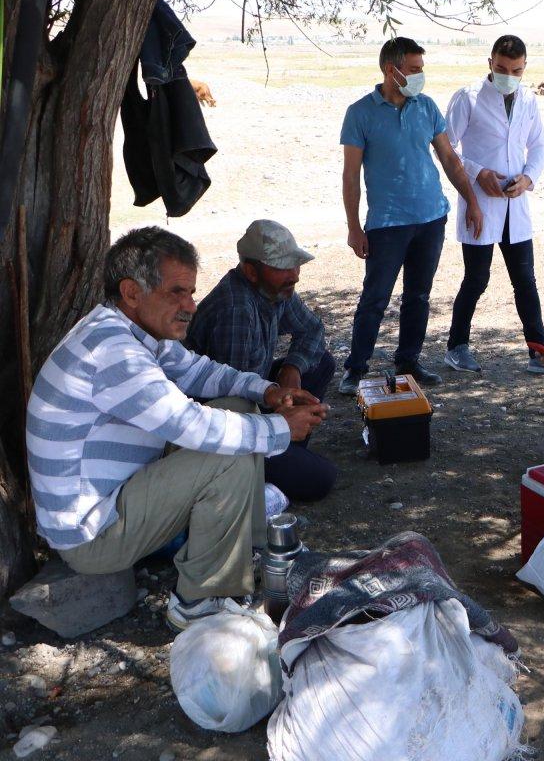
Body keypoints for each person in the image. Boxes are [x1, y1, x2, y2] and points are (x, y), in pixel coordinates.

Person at [25, 227, 327, 631]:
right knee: (228, 456)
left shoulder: (133, 331)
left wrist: (268, 391)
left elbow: (198, 371)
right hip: (92, 535)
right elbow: (191, 426)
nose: (190, 305)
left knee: (238, 407)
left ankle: (254, 547)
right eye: (177, 293)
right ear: (132, 292)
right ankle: (199, 601)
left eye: (190, 292)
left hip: (118, 498)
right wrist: (278, 429)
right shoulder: (113, 351)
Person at [339, 36, 484, 394]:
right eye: (415, 69)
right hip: (387, 224)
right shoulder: (360, 113)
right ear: (393, 70)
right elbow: (350, 175)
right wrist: (354, 227)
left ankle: (409, 361)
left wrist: (472, 201)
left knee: (418, 295)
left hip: (431, 218)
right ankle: (355, 369)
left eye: (421, 68)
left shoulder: (427, 107)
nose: (421, 75)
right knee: (374, 297)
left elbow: (449, 159)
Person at [185, 219, 338, 505]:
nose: (295, 275)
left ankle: (288, 448)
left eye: (295, 265)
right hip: (224, 422)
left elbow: (313, 330)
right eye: (283, 267)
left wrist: (291, 371)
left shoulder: (276, 290)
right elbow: (233, 403)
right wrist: (277, 420)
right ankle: (270, 459)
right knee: (323, 478)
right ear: (251, 271)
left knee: (320, 363)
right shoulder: (236, 309)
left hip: (256, 394)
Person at [442, 34, 544, 376]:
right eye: (502, 68)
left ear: (525, 68)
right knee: (476, 279)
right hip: (480, 203)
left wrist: (528, 178)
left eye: (516, 70)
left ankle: (538, 352)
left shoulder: (529, 99)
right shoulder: (468, 97)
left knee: (525, 280)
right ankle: (457, 347)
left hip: (515, 205)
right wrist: (478, 174)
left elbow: (538, 147)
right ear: (490, 63)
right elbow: (446, 148)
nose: (509, 75)